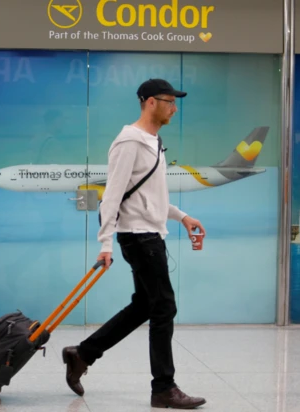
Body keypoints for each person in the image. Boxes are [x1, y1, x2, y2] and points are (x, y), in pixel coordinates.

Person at [62, 79, 207, 409]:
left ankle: (81, 354)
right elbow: (111, 196)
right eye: (170, 101)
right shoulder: (129, 141)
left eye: (175, 101)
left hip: (150, 233)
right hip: (139, 238)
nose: (175, 107)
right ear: (150, 102)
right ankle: (163, 388)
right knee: (164, 307)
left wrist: (181, 216)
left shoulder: (153, 140)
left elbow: (148, 196)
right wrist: (105, 244)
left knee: (145, 305)